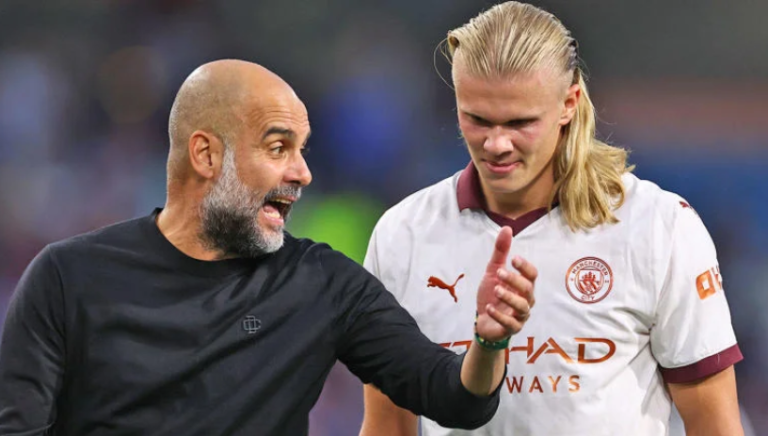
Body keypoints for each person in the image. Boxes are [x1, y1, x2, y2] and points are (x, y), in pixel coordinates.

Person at [0, 60, 538, 436]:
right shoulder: (68, 277)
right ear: (207, 155)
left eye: (302, 149)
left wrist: (488, 341)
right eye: (279, 147)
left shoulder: (321, 283)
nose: (302, 172)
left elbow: (454, 399)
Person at [359, 2, 745, 436]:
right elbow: (387, 426)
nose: (496, 144)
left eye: (520, 122)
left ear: (569, 104)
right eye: (477, 119)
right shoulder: (402, 236)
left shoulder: (659, 227)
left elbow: (715, 425)